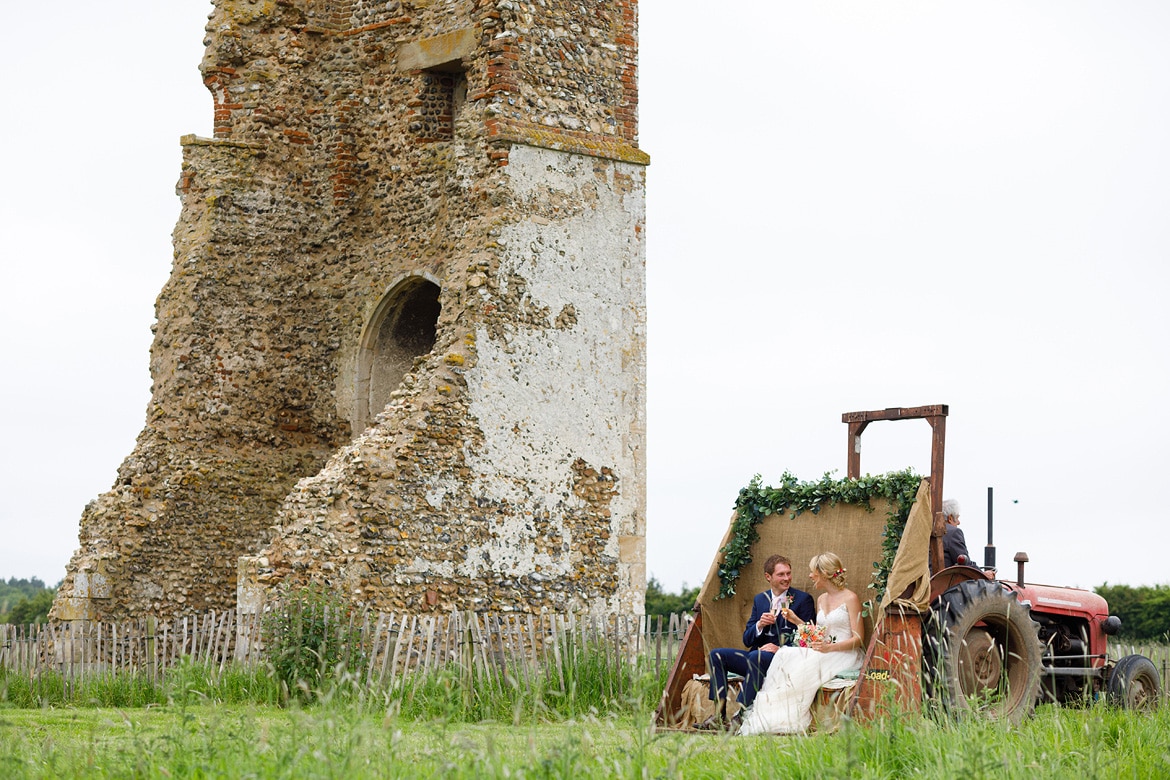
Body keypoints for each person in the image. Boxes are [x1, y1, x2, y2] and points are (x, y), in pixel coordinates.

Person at [738, 552, 865, 735]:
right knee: (786, 654)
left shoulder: (850, 598)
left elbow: (859, 639)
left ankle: (789, 717)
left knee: (801, 666)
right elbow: (817, 633)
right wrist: (796, 620)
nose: (810, 575)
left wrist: (829, 647)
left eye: (813, 572)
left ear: (824, 573)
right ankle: (771, 715)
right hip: (823, 649)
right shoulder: (821, 599)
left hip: (844, 653)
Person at [702, 554, 816, 728]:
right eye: (781, 574)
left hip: (783, 660)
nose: (786, 578)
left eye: (788, 573)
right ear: (768, 577)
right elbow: (747, 639)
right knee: (716, 655)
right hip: (755, 657)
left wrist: (780, 649)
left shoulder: (803, 600)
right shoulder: (760, 599)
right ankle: (718, 714)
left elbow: (810, 637)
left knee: (757, 656)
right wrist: (759, 625)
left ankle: (740, 715)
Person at [942, 498, 973, 567]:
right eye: (957, 518)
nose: (959, 523)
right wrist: (983, 574)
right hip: (947, 577)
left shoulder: (928, 531)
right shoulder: (953, 532)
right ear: (950, 518)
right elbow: (966, 564)